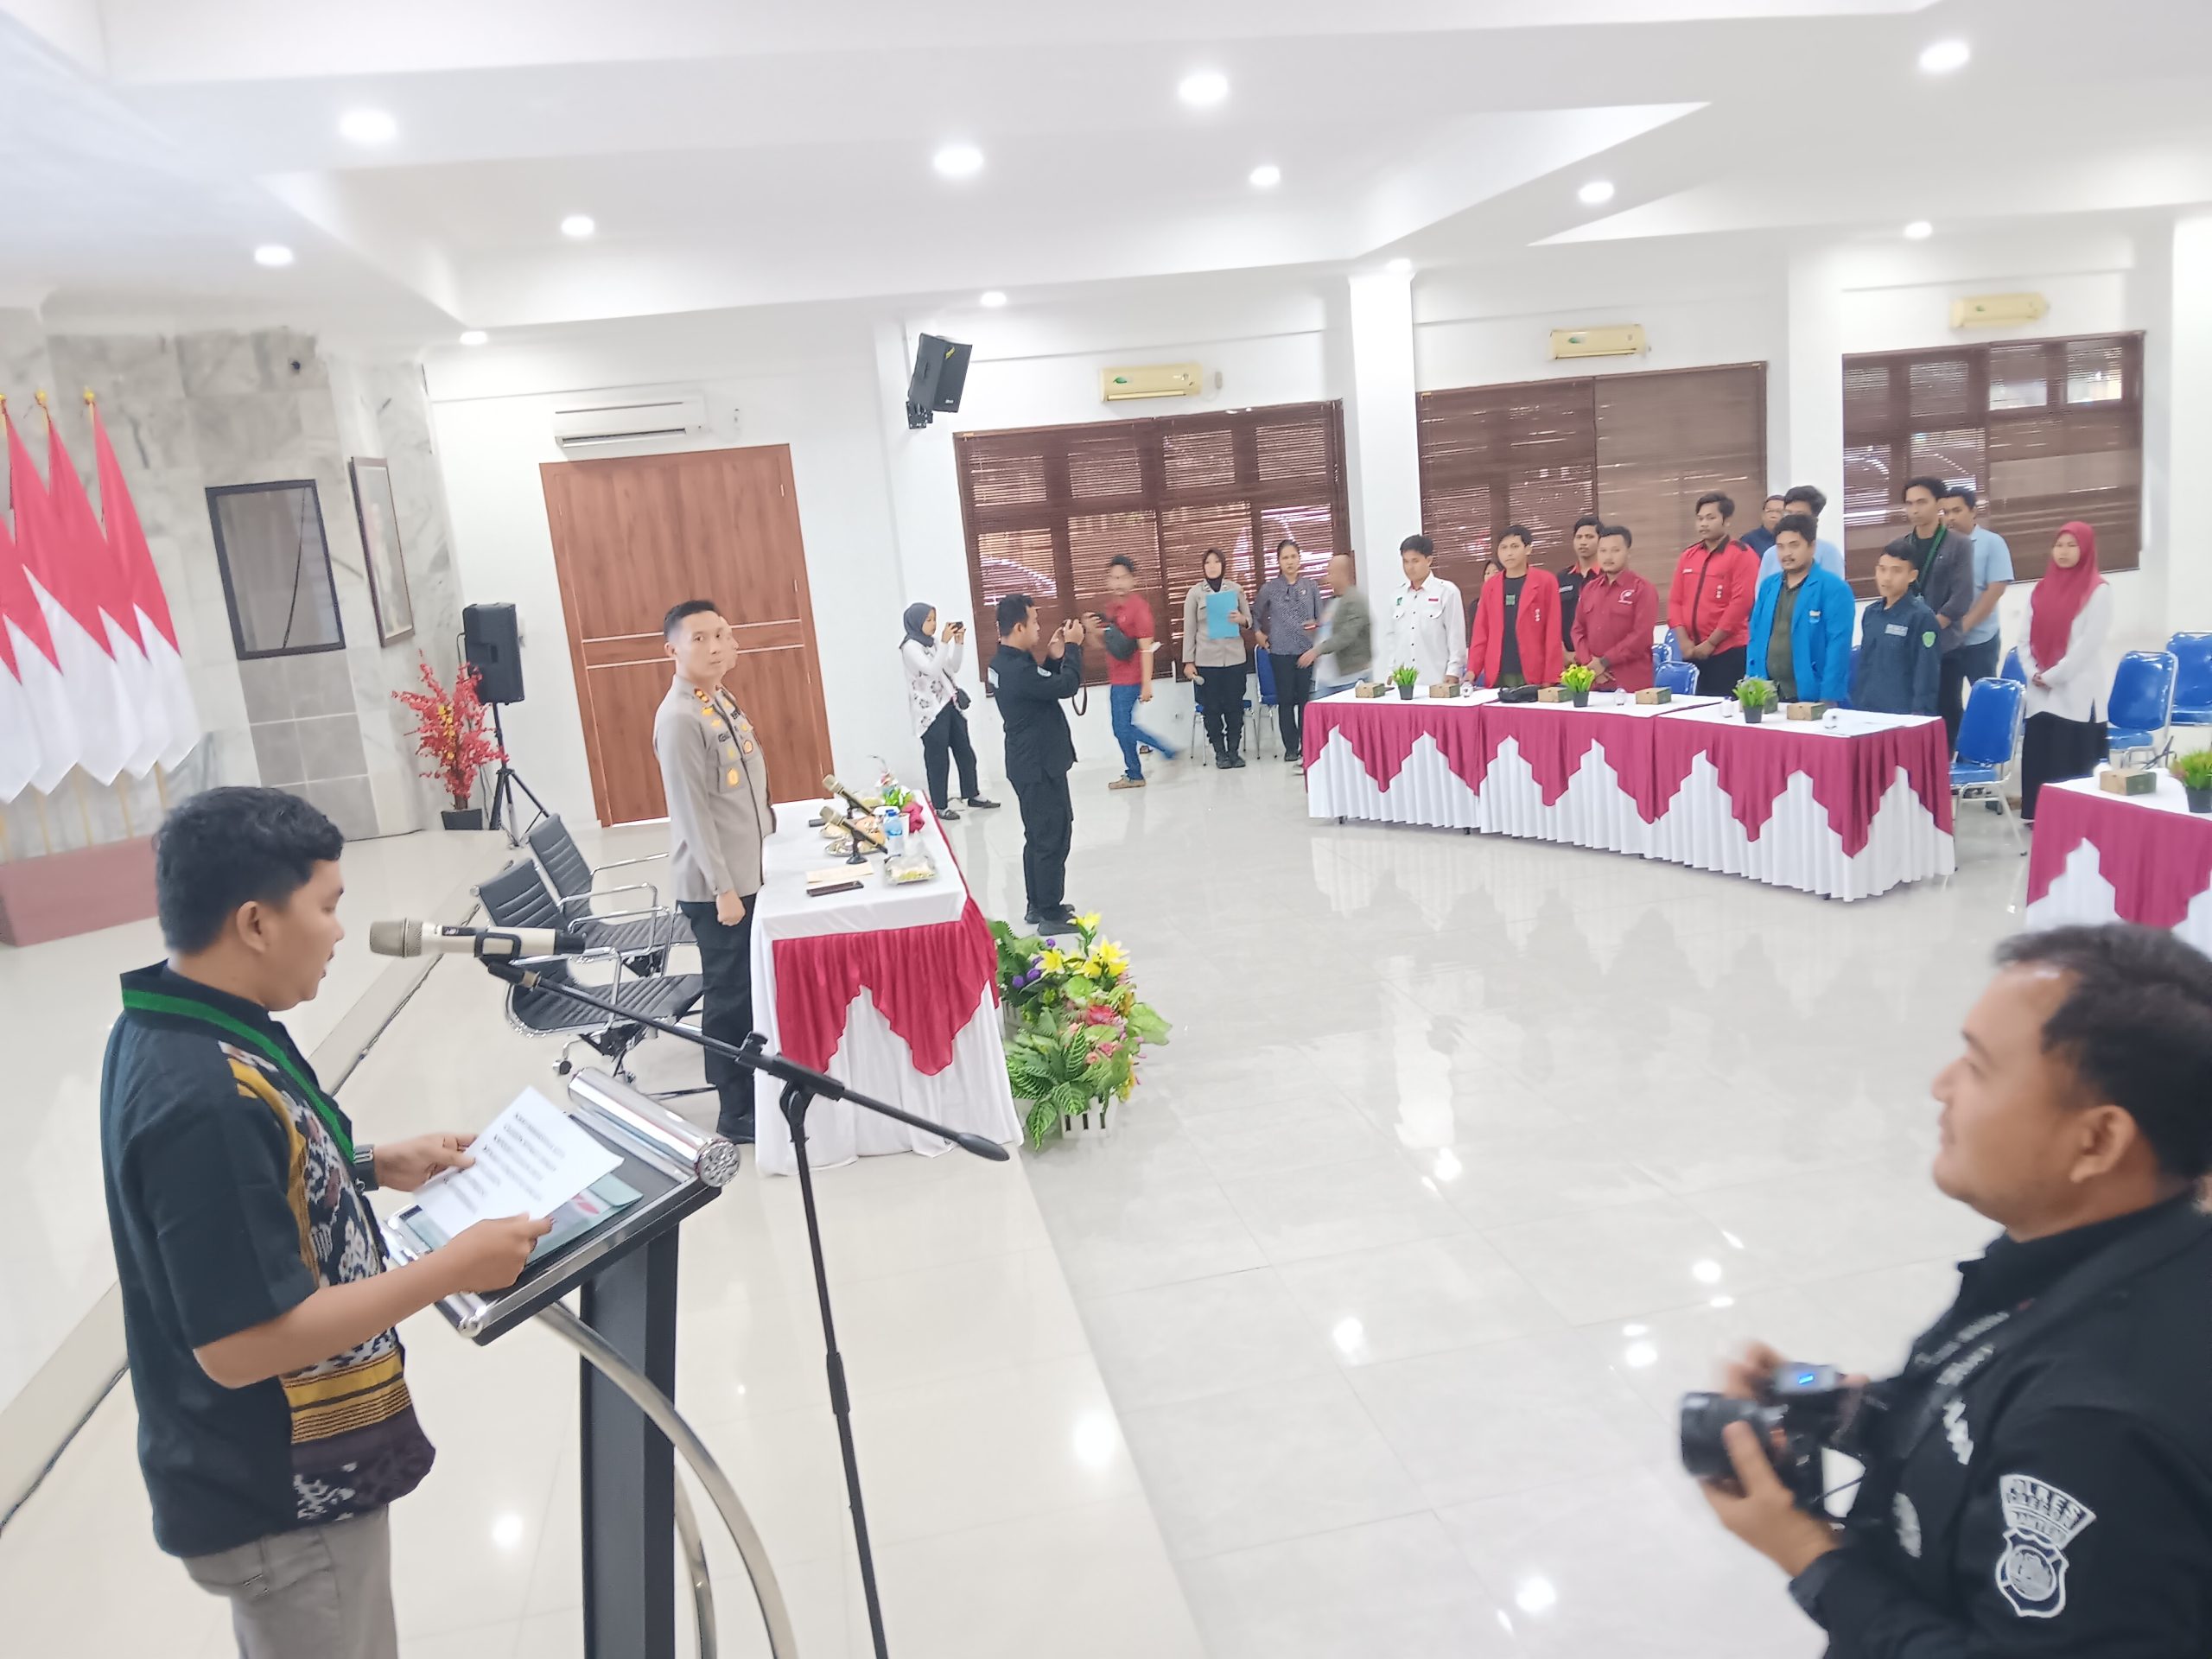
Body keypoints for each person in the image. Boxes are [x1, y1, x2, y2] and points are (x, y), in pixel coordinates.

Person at [101, 787, 548, 1659]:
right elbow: (241, 1345)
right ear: (256, 923)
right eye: (329, 906)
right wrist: (451, 1268)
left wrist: (371, 1163)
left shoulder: (181, 1019)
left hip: (274, 1469)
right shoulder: (205, 1099)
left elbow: (246, 1192)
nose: (343, 930)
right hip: (278, 1488)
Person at [1702, 925, 2212, 1657]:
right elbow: (1976, 1395)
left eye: (1977, 1067)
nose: (1940, 1086)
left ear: (2097, 1143)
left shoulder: (2096, 1433)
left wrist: (1809, 1558)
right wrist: (1832, 1403)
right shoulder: (2099, 1250)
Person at [655, 599, 774, 1142]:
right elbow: (692, 815)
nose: (714, 646)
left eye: (721, 634)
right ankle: (735, 1111)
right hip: (716, 888)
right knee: (729, 995)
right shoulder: (680, 717)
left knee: (750, 990)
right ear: (673, 649)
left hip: (745, 874)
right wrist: (725, 888)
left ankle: (755, 1091)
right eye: (698, 638)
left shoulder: (717, 699)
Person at [993, 593, 1087, 929]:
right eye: (1034, 621)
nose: (1038, 626)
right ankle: (1048, 912)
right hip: (1038, 763)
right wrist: (1074, 649)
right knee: (1050, 834)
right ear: (1018, 626)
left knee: (1040, 833)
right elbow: (1066, 686)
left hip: (1030, 761)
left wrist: (1050, 658)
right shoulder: (1017, 668)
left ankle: (1040, 903)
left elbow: (1038, 689)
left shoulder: (1005, 663)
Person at [2018, 521, 2112, 823]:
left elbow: (2087, 646)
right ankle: (2041, 816)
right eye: (2060, 544)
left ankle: (2073, 819)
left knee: (2069, 759)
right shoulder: (2040, 589)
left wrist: (2052, 676)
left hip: (2076, 691)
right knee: (2041, 755)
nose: (2064, 551)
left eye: (2073, 545)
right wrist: (2033, 672)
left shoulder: (2098, 591)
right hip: (2040, 692)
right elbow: (2023, 639)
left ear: (2086, 549)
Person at [899, 602, 1000, 818]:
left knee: (965, 751)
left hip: (949, 704)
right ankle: (940, 805)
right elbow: (931, 670)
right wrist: (944, 642)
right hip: (929, 711)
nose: (933, 624)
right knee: (938, 759)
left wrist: (958, 644)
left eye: (934, 619)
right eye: (928, 620)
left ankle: (972, 793)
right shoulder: (910, 647)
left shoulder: (934, 642)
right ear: (916, 622)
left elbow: (952, 667)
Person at [1938, 485, 2016, 751]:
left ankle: (1984, 765)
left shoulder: (1991, 543)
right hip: (1946, 642)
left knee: (1985, 704)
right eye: (1945, 511)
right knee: (1948, 705)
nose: (1950, 517)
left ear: (1973, 511)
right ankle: (1953, 766)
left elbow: (1994, 591)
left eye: (1957, 510)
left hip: (1980, 640)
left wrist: (1963, 627)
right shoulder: (1941, 544)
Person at [1745, 513, 1853, 703]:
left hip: (1810, 695)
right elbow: (1755, 637)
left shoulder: (1834, 588)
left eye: (1794, 545)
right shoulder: (1768, 586)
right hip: (1767, 693)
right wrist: (1752, 682)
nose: (1786, 553)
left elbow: (1838, 647)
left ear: (1812, 547)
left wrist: (1829, 696)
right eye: (1780, 547)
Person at [1092, 553, 1179, 790]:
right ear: (1108, 581)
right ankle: (1135, 773)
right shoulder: (1111, 609)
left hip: (1131, 680)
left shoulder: (1139, 609)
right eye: (1114, 578)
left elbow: (1147, 649)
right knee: (1122, 728)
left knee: (1121, 728)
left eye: (1123, 578)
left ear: (1133, 580)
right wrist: (1092, 631)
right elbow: (1103, 644)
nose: (1118, 583)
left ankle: (1162, 752)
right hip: (1116, 678)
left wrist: (1147, 683)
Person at [1666, 492, 1760, 696]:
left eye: (1711, 518)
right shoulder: (1688, 556)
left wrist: (1711, 643)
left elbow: (1740, 604)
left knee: (1723, 715)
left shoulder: (1742, 555)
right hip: (1691, 651)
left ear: (1726, 521)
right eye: (1700, 518)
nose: (1704, 524)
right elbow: (1675, 601)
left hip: (1727, 652)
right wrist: (1684, 642)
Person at [1252, 537, 1325, 764]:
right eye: (1285, 558)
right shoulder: (1270, 588)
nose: (1290, 561)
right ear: (1279, 562)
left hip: (1306, 652)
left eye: (1294, 556)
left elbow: (1320, 619)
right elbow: (1255, 614)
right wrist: (1259, 634)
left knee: (1306, 701)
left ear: (1300, 559)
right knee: (1285, 701)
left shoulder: (1311, 586)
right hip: (1280, 653)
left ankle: (1307, 745)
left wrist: (1317, 644)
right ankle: (1290, 748)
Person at [1465, 524, 1563, 689]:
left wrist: (1550, 678)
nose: (1508, 553)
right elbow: (1481, 632)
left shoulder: (1545, 581)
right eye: (1503, 548)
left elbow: (1552, 632)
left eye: (1514, 546)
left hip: (1533, 671)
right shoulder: (1490, 586)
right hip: (1497, 671)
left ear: (1528, 549)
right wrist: (1472, 670)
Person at [1851, 544, 1942, 716]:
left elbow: (1926, 671)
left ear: (1912, 576)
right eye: (1882, 570)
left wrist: (1919, 714)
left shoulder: (1922, 617)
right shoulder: (1871, 613)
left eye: (1896, 571)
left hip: (1903, 714)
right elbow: (1866, 665)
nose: (1887, 578)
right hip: (1867, 710)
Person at [1181, 547, 1251, 767]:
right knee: (1212, 709)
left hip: (1234, 659)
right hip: (1206, 660)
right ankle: (1219, 752)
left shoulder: (1236, 589)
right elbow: (1189, 629)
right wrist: (1188, 661)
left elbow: (1249, 621)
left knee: (1234, 707)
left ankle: (1234, 751)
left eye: (1216, 562)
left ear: (1223, 565)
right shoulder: (1195, 593)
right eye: (1208, 562)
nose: (1212, 566)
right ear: (1203, 567)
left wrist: (1241, 619)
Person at [1567, 524, 1657, 693]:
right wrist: (1591, 664)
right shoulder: (1589, 589)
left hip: (1631, 683)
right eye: (1603, 551)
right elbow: (1578, 630)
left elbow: (1641, 637)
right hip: (1593, 681)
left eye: (1615, 550)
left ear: (1628, 552)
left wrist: (1605, 662)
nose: (1608, 557)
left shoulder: (1643, 589)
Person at [1383, 533, 1467, 684]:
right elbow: (1392, 639)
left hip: (1437, 678)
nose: (1410, 567)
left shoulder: (1447, 591)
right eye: (1405, 562)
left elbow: (1456, 636)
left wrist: (1454, 671)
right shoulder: (1397, 596)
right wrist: (1391, 670)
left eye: (1415, 561)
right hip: (1404, 682)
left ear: (1429, 560)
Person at [1310, 550, 1371, 698]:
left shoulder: (1355, 600)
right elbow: (1328, 631)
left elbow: (1345, 636)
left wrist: (1316, 651)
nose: (1327, 577)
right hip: (1326, 679)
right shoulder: (1333, 601)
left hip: (1349, 679)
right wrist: (1315, 630)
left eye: (1331, 573)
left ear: (1342, 574)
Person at [1757, 486, 1848, 584]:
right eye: (1788, 513)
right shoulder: (1770, 554)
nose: (1792, 519)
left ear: (1814, 519)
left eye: (1799, 515)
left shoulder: (1829, 552)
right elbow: (1761, 594)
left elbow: (1833, 591)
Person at [1556, 512, 1604, 646]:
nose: (1583, 542)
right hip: (1568, 659)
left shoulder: (1609, 576)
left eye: (1589, 537)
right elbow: (1552, 619)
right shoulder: (1561, 578)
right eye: (1579, 537)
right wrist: (1563, 652)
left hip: (1600, 659)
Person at [1742, 493, 1786, 560]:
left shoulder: (1791, 537)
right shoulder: (1749, 539)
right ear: (1763, 515)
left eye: (1779, 511)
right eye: (1769, 511)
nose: (1773, 515)